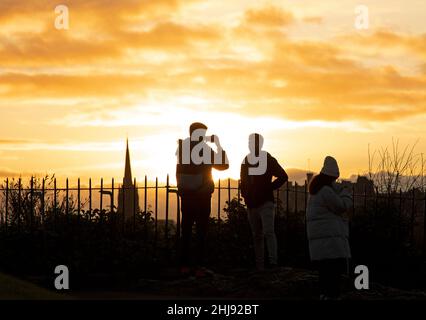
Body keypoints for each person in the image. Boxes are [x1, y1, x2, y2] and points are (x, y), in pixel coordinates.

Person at [176, 122, 229, 277]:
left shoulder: (183, 149)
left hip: (187, 196)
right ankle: (199, 267)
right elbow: (224, 165)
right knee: (201, 232)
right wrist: (219, 146)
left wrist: (182, 188)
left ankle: (184, 266)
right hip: (202, 196)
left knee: (185, 231)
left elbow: (178, 171)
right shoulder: (205, 150)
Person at [306, 156, 352, 300]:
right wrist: (345, 192)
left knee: (325, 275)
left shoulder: (315, 191)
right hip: (330, 242)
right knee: (334, 274)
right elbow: (342, 206)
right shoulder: (326, 191)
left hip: (321, 242)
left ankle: (324, 296)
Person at [240, 133, 288, 271]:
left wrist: (268, 188)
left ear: (259, 144)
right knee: (259, 235)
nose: (251, 145)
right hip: (253, 203)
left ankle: (272, 263)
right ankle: (261, 265)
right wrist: (246, 195)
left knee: (267, 233)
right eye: (250, 142)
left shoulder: (267, 159)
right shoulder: (247, 160)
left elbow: (283, 176)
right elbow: (243, 181)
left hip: (264, 202)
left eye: (253, 142)